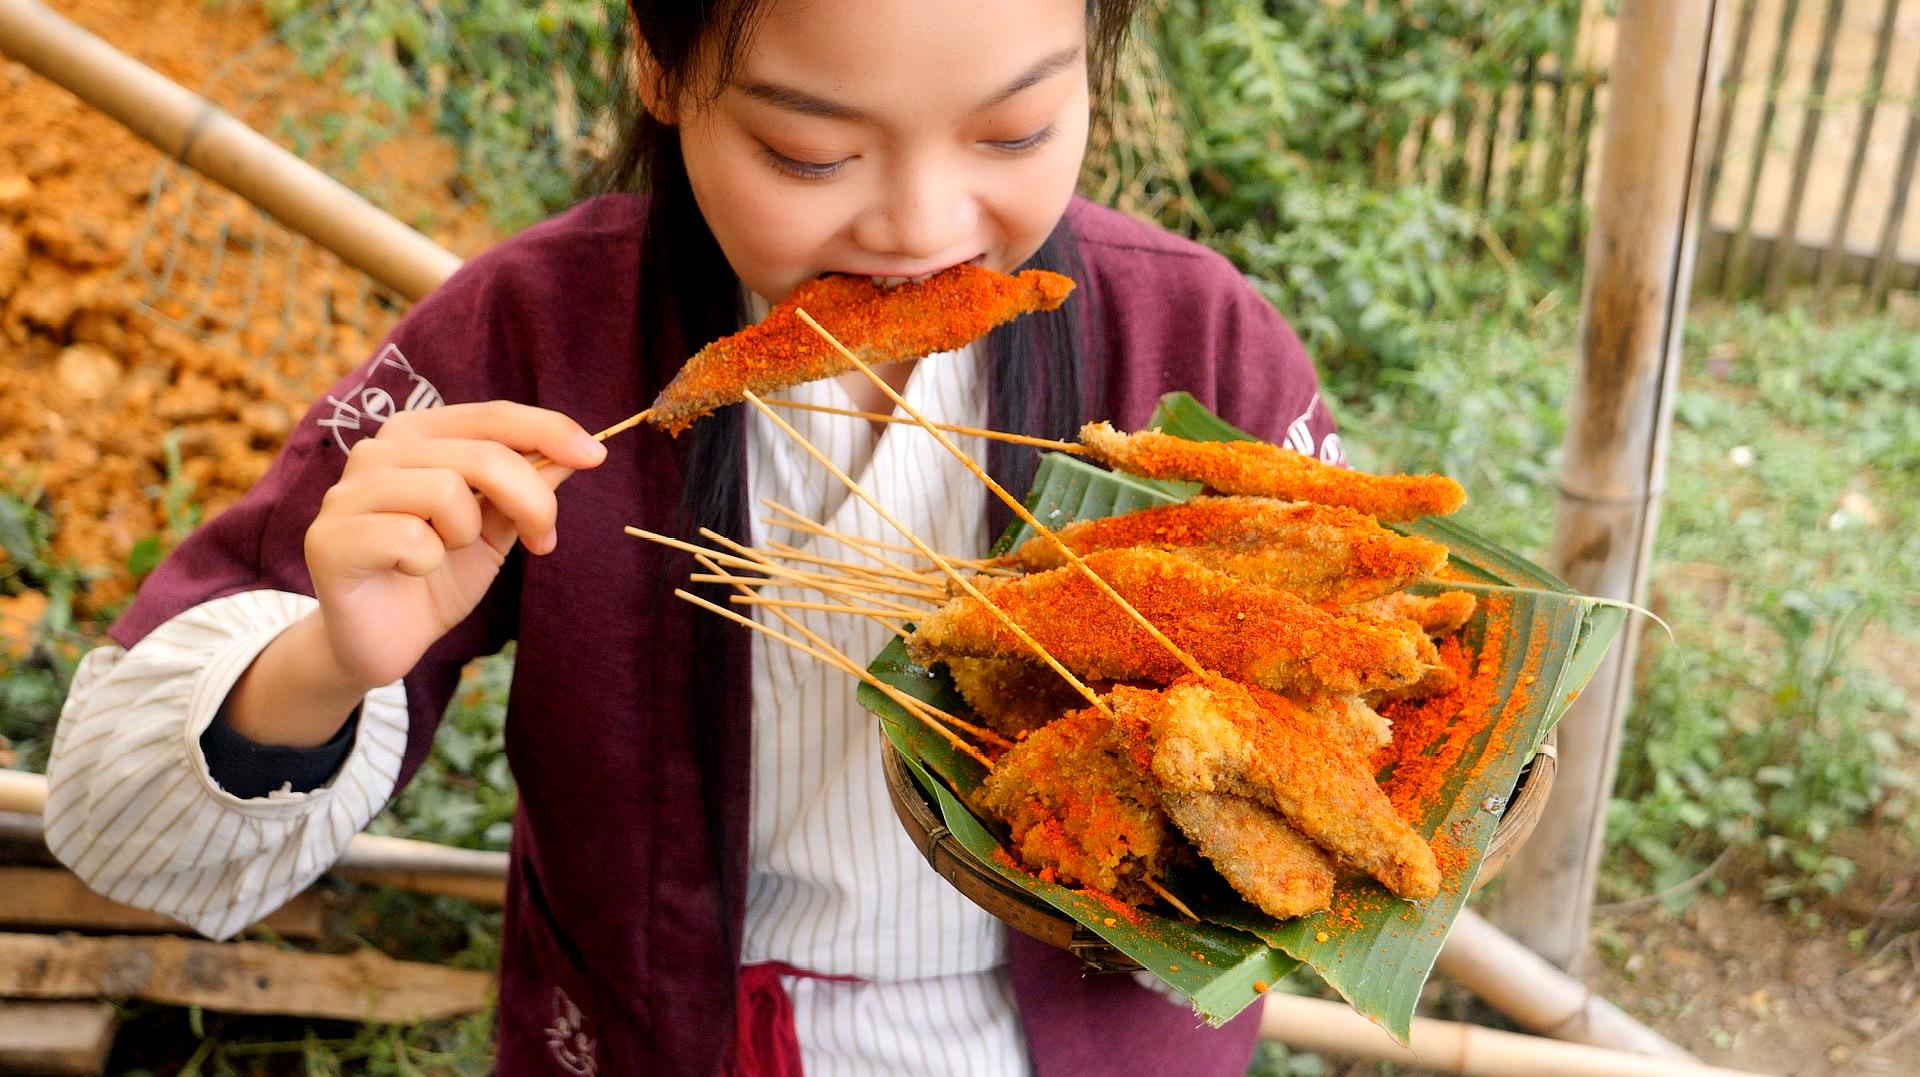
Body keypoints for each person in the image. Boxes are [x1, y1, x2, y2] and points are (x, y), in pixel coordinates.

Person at [44, 1, 1342, 1073]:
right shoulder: (533, 338)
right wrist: (327, 660)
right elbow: (118, 828)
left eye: (1016, 131)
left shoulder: (1196, 344)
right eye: (810, 153)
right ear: (658, 63)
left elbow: (1366, 739)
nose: (923, 226)